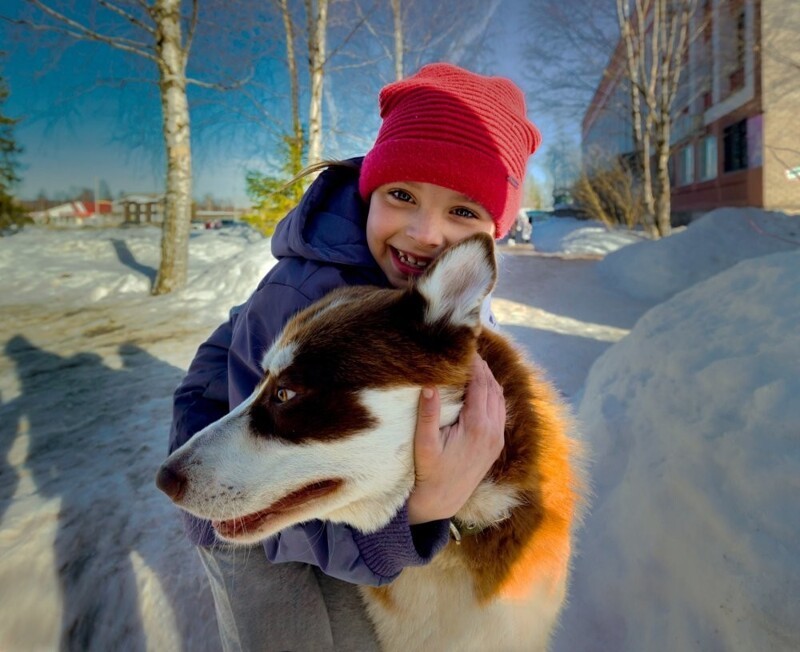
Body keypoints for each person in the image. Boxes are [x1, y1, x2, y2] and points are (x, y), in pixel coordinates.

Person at [168, 62, 542, 652]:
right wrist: (421, 514)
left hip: (327, 471)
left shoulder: (439, 295)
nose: (424, 232)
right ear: (369, 192)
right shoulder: (298, 298)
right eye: (401, 195)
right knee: (290, 632)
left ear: (493, 232)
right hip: (235, 475)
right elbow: (265, 442)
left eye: (463, 211)